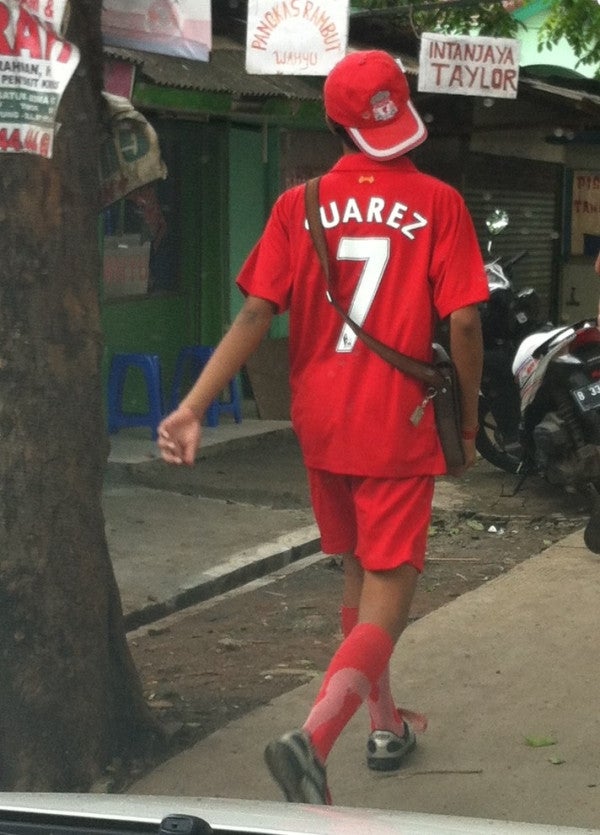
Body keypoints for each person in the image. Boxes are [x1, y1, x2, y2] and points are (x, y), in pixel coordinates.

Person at [157, 49, 489, 806]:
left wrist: (194, 404)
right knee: (392, 586)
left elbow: (253, 313)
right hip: (397, 425)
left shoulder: (296, 205)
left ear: (333, 122)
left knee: (355, 566)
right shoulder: (439, 202)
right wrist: (467, 417)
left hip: (322, 424)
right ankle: (313, 738)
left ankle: (385, 723)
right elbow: (464, 320)